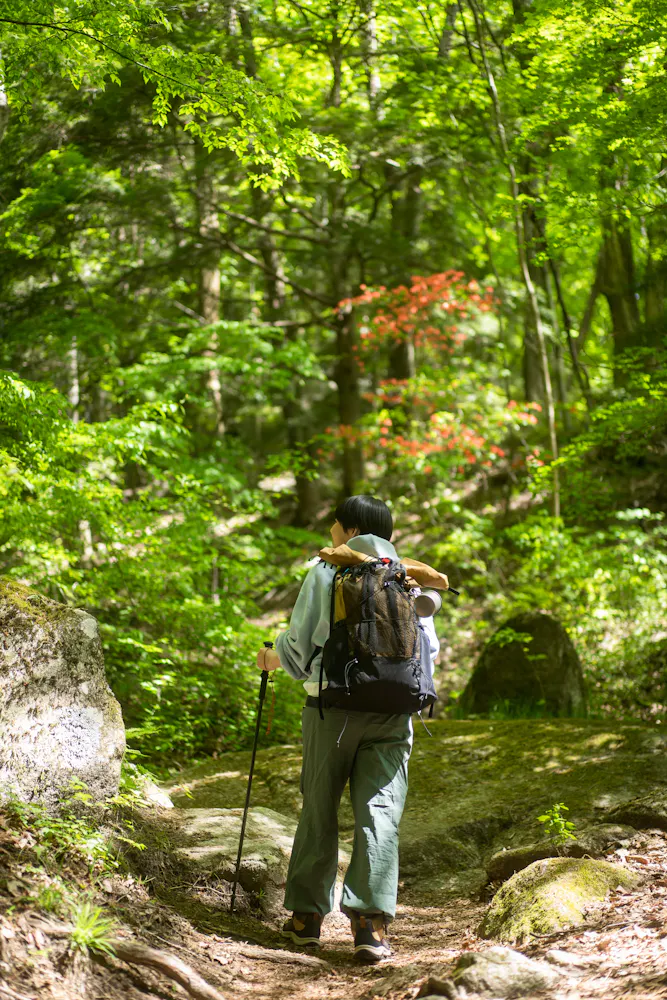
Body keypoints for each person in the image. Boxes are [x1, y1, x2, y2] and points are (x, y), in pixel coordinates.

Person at [256, 495, 445, 962]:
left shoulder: (329, 569)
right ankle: (370, 926)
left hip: (333, 708)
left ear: (348, 529)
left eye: (334, 526)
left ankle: (306, 919)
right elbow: (430, 651)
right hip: (395, 712)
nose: (331, 535)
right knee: (380, 812)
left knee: (320, 807)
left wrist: (271, 658)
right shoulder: (409, 576)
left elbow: (302, 643)